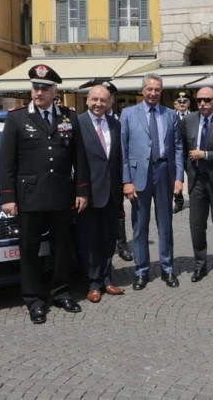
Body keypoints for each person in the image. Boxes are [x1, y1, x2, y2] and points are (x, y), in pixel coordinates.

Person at [0, 64, 89, 324]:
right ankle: (34, 300)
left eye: (44, 89)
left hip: (61, 195)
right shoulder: (16, 118)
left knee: (61, 248)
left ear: (54, 91)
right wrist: (7, 196)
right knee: (30, 251)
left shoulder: (68, 117)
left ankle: (61, 293)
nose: (38, 93)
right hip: (29, 197)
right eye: (35, 88)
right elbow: (6, 163)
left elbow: (79, 158)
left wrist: (81, 191)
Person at [121, 73, 184, 290]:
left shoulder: (170, 115)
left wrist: (179, 177)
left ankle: (167, 268)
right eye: (149, 89)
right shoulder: (128, 114)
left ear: (161, 91)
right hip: (139, 174)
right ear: (142, 90)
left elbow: (178, 148)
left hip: (164, 171)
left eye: (157, 89)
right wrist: (126, 181)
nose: (153, 93)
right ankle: (141, 271)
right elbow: (123, 149)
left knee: (165, 224)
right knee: (139, 226)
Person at [77, 84, 126, 303]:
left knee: (108, 240)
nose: (99, 104)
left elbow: (117, 159)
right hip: (87, 194)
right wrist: (79, 190)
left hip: (111, 193)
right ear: (87, 100)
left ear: (110, 103)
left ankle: (107, 279)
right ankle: (93, 283)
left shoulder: (115, 124)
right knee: (89, 241)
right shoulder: (78, 124)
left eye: (103, 100)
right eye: (94, 99)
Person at [180, 87, 213, 284]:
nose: (202, 103)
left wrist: (205, 155)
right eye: (199, 100)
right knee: (196, 226)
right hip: (197, 182)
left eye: (206, 100)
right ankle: (199, 265)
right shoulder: (188, 121)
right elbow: (183, 151)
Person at [100, 81, 132, 262]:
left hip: (116, 175)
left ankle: (122, 244)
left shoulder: (121, 120)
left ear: (112, 99)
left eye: (108, 96)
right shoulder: (86, 120)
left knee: (118, 211)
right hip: (96, 177)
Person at [173, 91, 191, 214]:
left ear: (189, 103)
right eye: (179, 102)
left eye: (184, 101)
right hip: (175, 153)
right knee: (176, 178)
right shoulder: (170, 116)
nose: (182, 104)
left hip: (190, 153)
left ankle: (196, 199)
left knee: (194, 177)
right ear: (175, 104)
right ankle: (179, 202)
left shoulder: (195, 115)